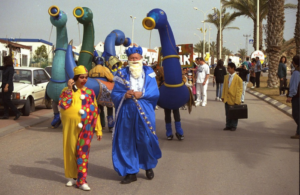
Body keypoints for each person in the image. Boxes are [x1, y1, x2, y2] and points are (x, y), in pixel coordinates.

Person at [111, 46, 161, 184]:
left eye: (136, 58)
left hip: (144, 110)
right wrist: (124, 95)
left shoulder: (149, 72)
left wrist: (142, 94)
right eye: (131, 58)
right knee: (127, 141)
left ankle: (148, 166)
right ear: (128, 60)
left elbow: (155, 92)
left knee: (145, 140)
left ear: (141, 59)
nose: (134, 60)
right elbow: (114, 93)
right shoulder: (121, 73)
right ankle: (131, 171)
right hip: (126, 111)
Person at [59, 65, 102, 191]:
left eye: (86, 77)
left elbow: (95, 110)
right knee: (71, 151)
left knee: (83, 153)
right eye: (82, 77)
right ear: (76, 78)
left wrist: (98, 129)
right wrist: (69, 89)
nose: (84, 79)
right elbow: (64, 105)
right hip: (71, 127)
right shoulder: (67, 90)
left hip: (87, 127)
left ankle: (81, 181)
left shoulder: (90, 92)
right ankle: (71, 176)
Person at [222, 62, 243, 131]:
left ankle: (233, 125)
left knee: (234, 113)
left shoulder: (238, 79)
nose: (228, 69)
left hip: (234, 99)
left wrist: (237, 100)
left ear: (233, 68)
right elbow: (224, 87)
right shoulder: (226, 77)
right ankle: (228, 125)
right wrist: (223, 96)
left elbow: (239, 91)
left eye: (229, 68)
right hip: (227, 98)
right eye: (227, 68)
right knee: (227, 113)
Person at [0, 56, 22, 120]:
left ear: (7, 61)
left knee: (7, 100)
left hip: (8, 87)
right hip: (4, 86)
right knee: (4, 100)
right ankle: (6, 114)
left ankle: (17, 112)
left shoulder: (11, 68)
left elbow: (10, 79)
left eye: (4, 61)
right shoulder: (5, 67)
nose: (3, 62)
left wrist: (6, 86)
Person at [286, 55, 300, 139]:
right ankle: (298, 133)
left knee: (296, 114)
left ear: (294, 62)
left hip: (297, 97)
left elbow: (294, 85)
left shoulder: (296, 72)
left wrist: (290, 96)